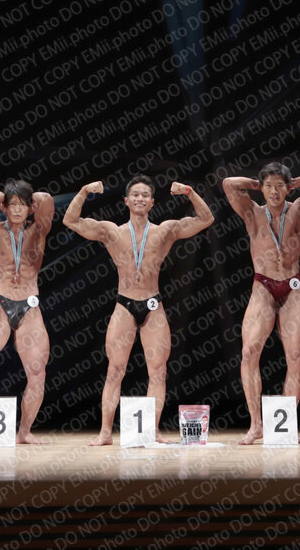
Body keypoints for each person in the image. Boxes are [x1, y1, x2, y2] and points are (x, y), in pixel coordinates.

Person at [63, 175, 214, 446]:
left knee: (158, 372)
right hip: (124, 304)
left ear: (152, 202)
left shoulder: (165, 230)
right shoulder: (111, 231)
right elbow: (70, 220)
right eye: (135, 194)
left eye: (145, 195)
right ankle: (105, 433)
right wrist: (84, 191)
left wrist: (190, 192)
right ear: (126, 201)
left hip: (153, 304)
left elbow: (206, 219)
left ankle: (152, 431)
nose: (140, 198)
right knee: (114, 370)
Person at [223, 163, 300, 445]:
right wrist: (257, 184)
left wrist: (295, 181)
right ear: (262, 188)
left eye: (279, 186)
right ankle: (256, 425)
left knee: (297, 358)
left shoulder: (299, 209)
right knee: (249, 352)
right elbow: (228, 184)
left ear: (288, 188)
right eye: (269, 186)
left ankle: (286, 426)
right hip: (263, 285)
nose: (274, 191)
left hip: (291, 285)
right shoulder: (252, 212)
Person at [0, 180, 54, 445]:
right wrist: (4, 195)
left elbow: (47, 199)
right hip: (0, 304)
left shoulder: (38, 230)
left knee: (38, 372)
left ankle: (24, 431)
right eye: (12, 205)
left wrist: (27, 197)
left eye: (23, 205)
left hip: (30, 307)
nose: (17, 210)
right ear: (4, 207)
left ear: (31, 208)